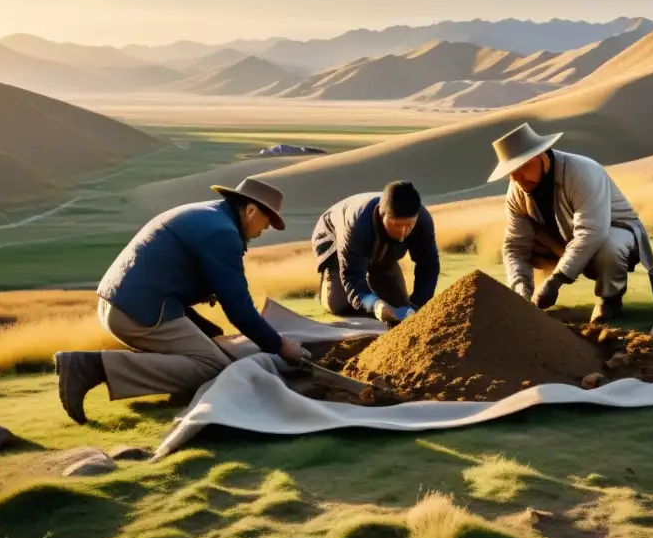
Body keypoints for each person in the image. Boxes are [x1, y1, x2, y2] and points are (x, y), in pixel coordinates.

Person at [53, 176, 311, 425]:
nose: (263, 231)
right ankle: (91, 367)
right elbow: (239, 310)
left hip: (120, 303)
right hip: (140, 312)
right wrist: (280, 346)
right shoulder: (222, 233)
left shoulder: (206, 215)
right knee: (214, 367)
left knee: (212, 338)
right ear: (252, 210)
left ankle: (176, 388)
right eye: (266, 223)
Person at [488, 122, 653, 323]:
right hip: (565, 239)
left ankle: (610, 299)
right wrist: (520, 287)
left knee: (611, 246)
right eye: (510, 172)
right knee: (520, 247)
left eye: (522, 167)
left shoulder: (582, 172)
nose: (516, 177)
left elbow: (591, 231)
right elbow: (515, 246)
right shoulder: (516, 191)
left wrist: (556, 280)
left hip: (615, 231)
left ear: (541, 155)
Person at [311, 180, 440, 325]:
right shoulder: (357, 225)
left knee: (399, 306)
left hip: (383, 251)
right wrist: (375, 306)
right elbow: (352, 275)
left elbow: (429, 266)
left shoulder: (422, 221)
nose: (403, 232)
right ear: (381, 214)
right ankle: (327, 286)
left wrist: (416, 305)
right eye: (396, 225)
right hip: (333, 235)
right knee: (339, 304)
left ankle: (380, 271)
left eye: (409, 225)